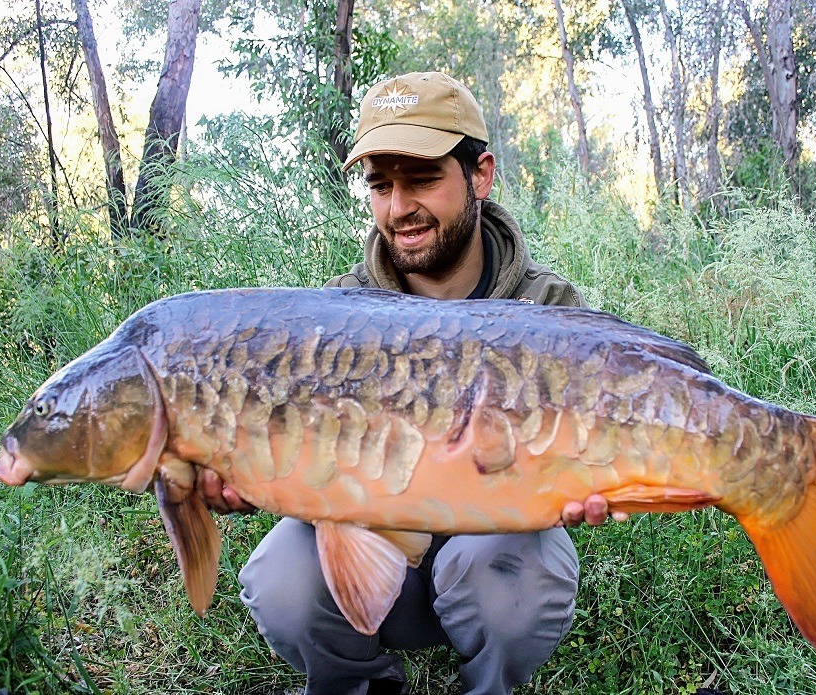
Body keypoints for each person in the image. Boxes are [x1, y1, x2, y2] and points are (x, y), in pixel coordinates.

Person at [202, 71, 624, 695]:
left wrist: (602, 479)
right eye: (381, 185)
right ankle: (363, 686)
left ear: (480, 174)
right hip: (372, 558)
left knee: (515, 575)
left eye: (422, 179)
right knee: (280, 578)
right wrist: (238, 474)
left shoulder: (549, 310)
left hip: (486, 561)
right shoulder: (338, 317)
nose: (398, 209)